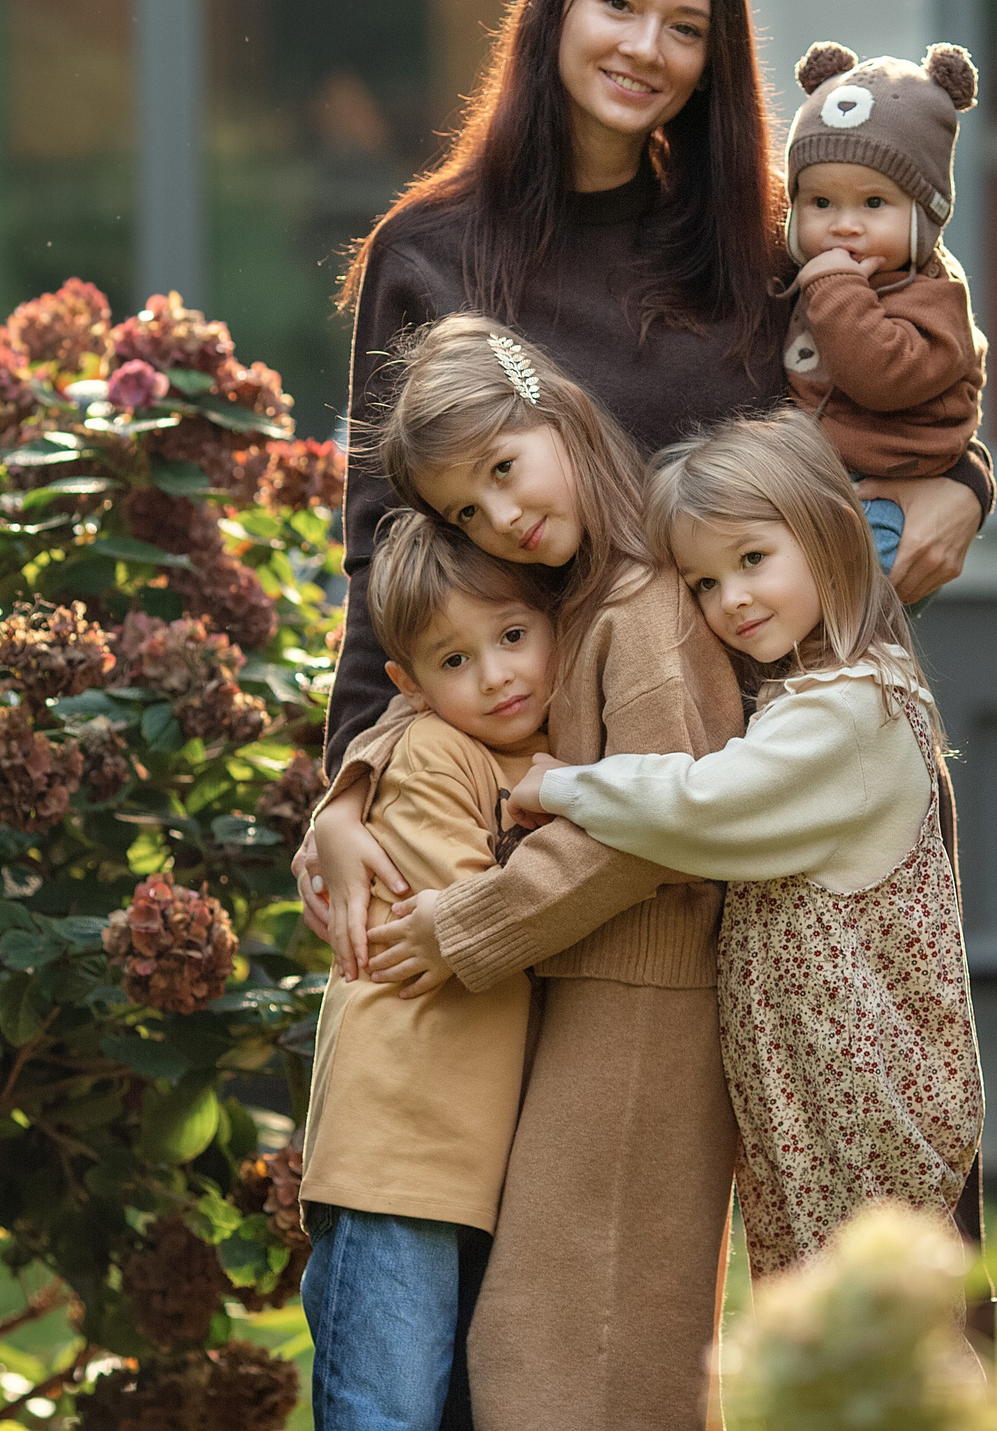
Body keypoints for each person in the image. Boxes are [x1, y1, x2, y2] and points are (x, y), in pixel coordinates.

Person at [294, 0, 996, 1428]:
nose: (648, 49)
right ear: (554, 13)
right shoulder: (431, 249)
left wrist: (964, 480)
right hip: (483, 797)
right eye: (621, 6)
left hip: (697, 834)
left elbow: (887, 410)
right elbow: (378, 562)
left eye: (688, 27)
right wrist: (345, 787)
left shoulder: (744, 249)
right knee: (456, 1282)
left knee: (671, 1281)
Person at [421, 408, 986, 1279]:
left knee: (877, 1347)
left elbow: (700, 805)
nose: (733, 601)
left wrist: (560, 783)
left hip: (866, 1114)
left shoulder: (853, 710)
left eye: (752, 560)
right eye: (704, 584)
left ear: (829, 533)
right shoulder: (814, 694)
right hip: (806, 1110)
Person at [314, 314, 746, 1430]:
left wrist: (472, 925)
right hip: (583, 999)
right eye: (467, 508)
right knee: (528, 1357)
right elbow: (446, 708)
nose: (500, 517)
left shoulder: (645, 609)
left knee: (572, 1356)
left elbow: (656, 822)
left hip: (644, 1012)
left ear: (556, 413)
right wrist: (353, 779)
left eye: (503, 471)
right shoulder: (563, 602)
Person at [299, 511, 558, 1431]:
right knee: (386, 1410)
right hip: (397, 1153)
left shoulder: (517, 755)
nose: (496, 676)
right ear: (406, 685)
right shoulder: (428, 751)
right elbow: (486, 914)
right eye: (454, 661)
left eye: (515, 636)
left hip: (463, 1153)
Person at [778, 41, 988, 575]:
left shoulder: (933, 296)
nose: (844, 224)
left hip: (890, 491)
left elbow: (881, 375)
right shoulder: (820, 276)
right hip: (818, 482)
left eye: (874, 203)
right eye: (820, 203)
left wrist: (835, 291)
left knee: (849, 588)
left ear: (924, 214)